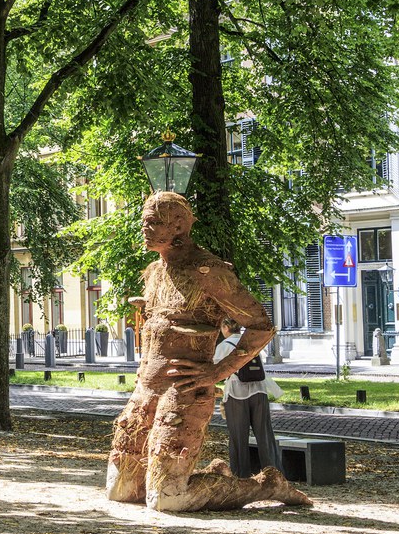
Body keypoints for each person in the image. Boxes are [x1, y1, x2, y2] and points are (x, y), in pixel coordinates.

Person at [106, 192, 310, 511]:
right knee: (122, 490)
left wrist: (217, 372)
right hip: (145, 390)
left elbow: (260, 325)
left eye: (153, 223)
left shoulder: (209, 271)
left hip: (183, 391)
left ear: (179, 226)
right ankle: (214, 474)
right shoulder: (154, 272)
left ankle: (266, 485)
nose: (144, 229)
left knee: (167, 500)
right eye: (144, 222)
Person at [216, 319, 284, 478]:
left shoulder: (225, 346)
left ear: (226, 327)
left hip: (236, 392)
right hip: (260, 390)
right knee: (265, 435)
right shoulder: (251, 342)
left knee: (238, 437)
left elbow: (216, 369)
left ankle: (241, 476)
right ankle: (274, 474)